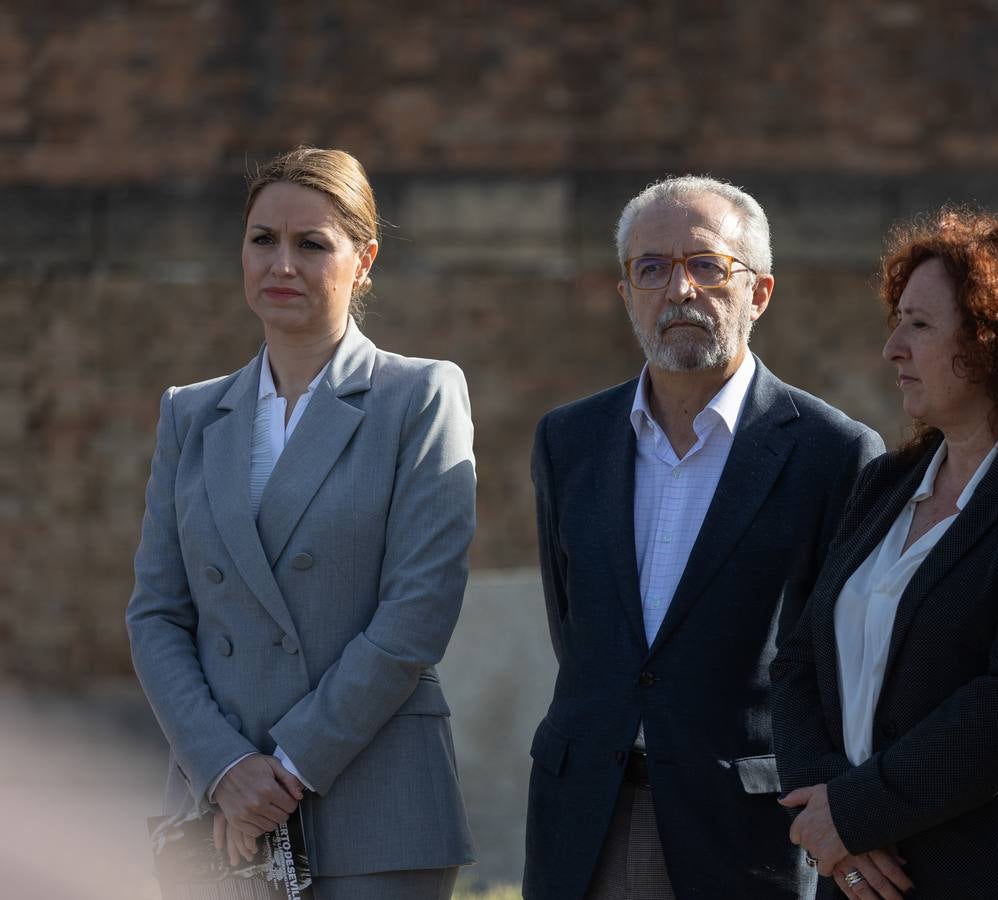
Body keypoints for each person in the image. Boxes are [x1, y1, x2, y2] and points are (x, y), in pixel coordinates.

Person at [126, 147, 476, 899]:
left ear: (364, 260)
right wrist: (224, 765)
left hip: (376, 801)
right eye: (263, 240)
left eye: (311, 243)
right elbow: (156, 614)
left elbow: (417, 611)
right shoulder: (191, 413)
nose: (281, 264)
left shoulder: (418, 396)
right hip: (221, 813)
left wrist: (287, 766)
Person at [525, 175, 885, 899]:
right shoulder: (569, 440)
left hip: (745, 829)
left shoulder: (832, 452)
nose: (679, 290)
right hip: (584, 813)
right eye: (651, 268)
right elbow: (575, 629)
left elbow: (842, 667)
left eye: (707, 266)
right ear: (625, 292)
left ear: (759, 292)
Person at [771, 209, 998, 899]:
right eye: (896, 321)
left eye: (919, 325)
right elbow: (799, 659)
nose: (892, 348)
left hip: (988, 875)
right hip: (855, 878)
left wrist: (856, 813)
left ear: (994, 339)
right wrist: (827, 812)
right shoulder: (884, 483)